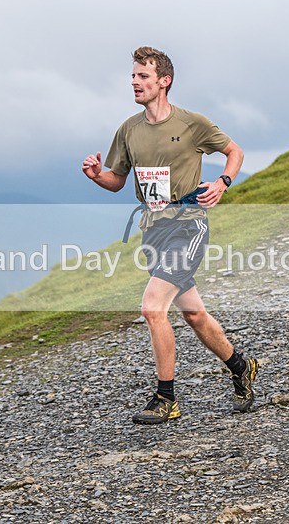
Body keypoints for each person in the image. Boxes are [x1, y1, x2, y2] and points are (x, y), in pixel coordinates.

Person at [81, 46, 259, 425]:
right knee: (193, 314)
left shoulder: (191, 123)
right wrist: (97, 175)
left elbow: (235, 151)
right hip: (153, 230)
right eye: (132, 76)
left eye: (143, 76)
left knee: (151, 307)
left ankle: (166, 398)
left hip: (188, 224)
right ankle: (242, 367)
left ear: (165, 81)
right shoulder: (129, 129)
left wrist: (223, 182)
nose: (134, 82)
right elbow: (117, 181)